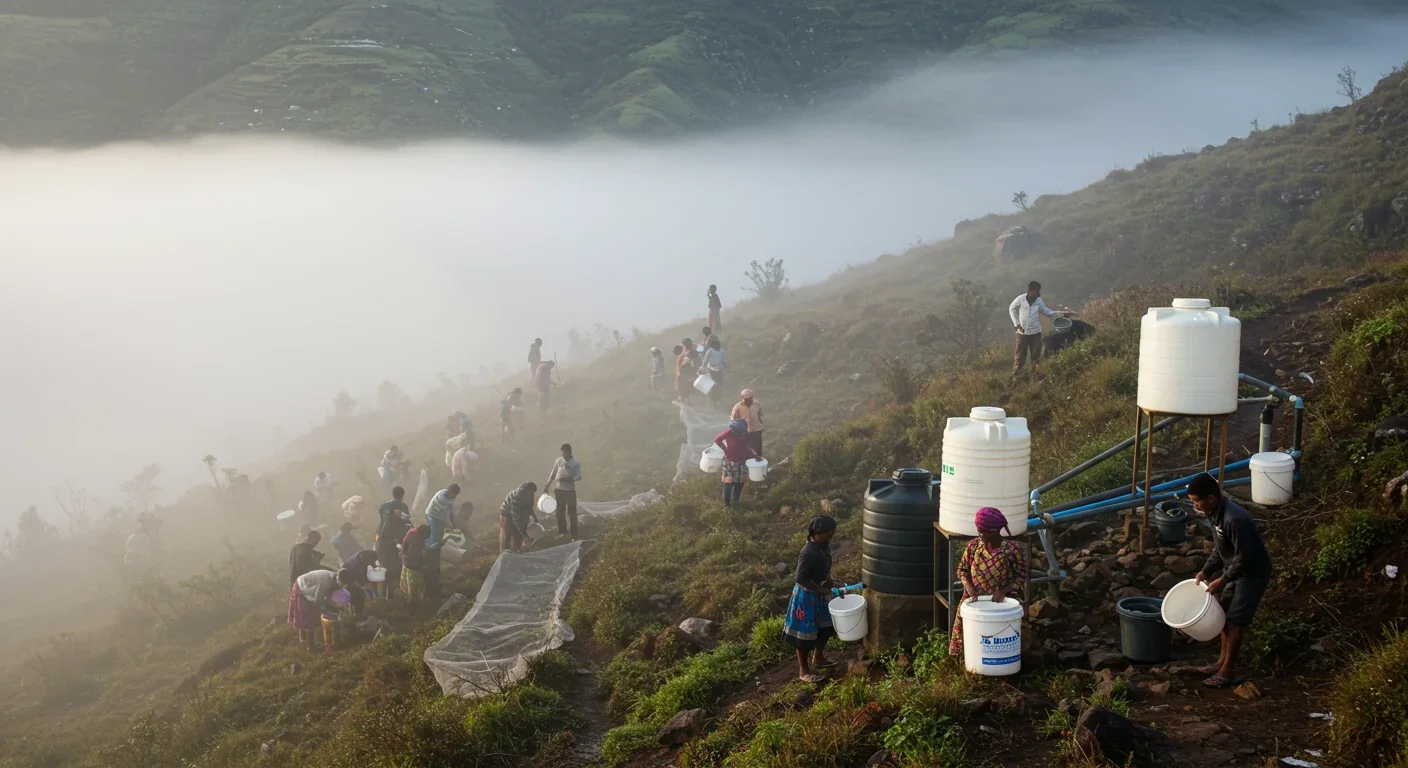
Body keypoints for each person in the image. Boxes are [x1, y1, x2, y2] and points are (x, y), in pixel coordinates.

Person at [1189, 473, 1274, 688]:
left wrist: (1222, 580)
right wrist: (1205, 572)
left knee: (1236, 620)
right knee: (1224, 615)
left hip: (1252, 572)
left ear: (1211, 499)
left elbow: (1244, 558)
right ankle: (1220, 662)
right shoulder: (1214, 513)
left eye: (1197, 502)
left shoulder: (1234, 519)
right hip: (1234, 569)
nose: (1196, 506)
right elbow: (1221, 550)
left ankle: (1227, 671)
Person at [948, 507, 1026, 658]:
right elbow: (962, 570)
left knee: (993, 642)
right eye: (979, 531)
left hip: (997, 605)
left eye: (984, 532)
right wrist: (969, 586)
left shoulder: (1011, 551)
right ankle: (965, 668)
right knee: (967, 636)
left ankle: (992, 670)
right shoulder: (974, 546)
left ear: (995, 531)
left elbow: (1021, 577)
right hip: (973, 602)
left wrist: (1003, 591)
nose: (981, 535)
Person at [783, 515, 839, 682]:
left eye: (832, 533)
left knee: (825, 628)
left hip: (820, 593)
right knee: (804, 635)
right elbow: (801, 578)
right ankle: (803, 670)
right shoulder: (808, 552)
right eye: (828, 533)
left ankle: (818, 658)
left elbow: (823, 567)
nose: (831, 536)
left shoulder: (823, 546)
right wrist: (822, 590)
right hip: (806, 596)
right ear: (817, 532)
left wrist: (828, 581)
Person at [1009, 280, 1070, 376]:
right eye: (1037, 291)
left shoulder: (1038, 301)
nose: (1038, 293)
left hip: (1035, 333)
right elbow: (1011, 308)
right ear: (1031, 291)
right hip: (1022, 333)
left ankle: (1036, 375)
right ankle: (1016, 377)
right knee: (1020, 356)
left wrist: (1061, 313)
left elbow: (1047, 312)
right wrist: (1016, 323)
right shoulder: (1021, 299)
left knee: (1036, 356)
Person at [288, 568, 354, 652]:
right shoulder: (325, 583)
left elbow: (326, 596)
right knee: (310, 616)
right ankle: (311, 646)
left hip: (306, 584)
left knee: (306, 615)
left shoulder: (335, 577)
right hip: (302, 587)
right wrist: (327, 609)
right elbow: (317, 601)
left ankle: (304, 640)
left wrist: (330, 606)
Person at [423, 484, 461, 599]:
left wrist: (453, 524)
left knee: (439, 536)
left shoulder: (449, 498)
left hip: (439, 518)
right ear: (450, 492)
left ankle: (434, 548)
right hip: (432, 516)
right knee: (435, 536)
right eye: (454, 494)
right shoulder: (442, 496)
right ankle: (429, 549)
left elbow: (450, 512)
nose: (455, 497)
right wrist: (451, 525)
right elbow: (446, 512)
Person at [714, 418, 762, 507]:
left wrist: (755, 455)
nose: (743, 434)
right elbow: (717, 439)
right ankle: (727, 506)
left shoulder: (746, 434)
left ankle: (736, 502)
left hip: (741, 462)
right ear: (734, 431)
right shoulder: (729, 433)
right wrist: (725, 449)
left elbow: (746, 447)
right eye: (740, 433)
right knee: (728, 484)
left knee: (740, 483)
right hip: (730, 463)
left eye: (744, 432)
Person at [375, 487, 411, 599]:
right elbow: (406, 521)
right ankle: (390, 596)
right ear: (402, 495)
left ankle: (380, 597)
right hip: (393, 541)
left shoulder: (384, 505)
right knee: (392, 568)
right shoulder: (403, 506)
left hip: (381, 539)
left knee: (382, 567)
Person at [545, 444, 583, 541]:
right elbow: (553, 474)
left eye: (565, 453)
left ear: (569, 452)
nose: (563, 455)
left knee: (572, 513)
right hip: (559, 490)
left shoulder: (576, 463)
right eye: (562, 453)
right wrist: (547, 485)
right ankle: (563, 532)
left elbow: (579, 476)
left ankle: (574, 535)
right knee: (560, 512)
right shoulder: (559, 460)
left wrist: (570, 478)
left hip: (570, 490)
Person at [499, 482, 539, 553]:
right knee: (508, 534)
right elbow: (516, 519)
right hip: (507, 513)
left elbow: (529, 507)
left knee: (518, 536)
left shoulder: (530, 495)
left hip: (519, 512)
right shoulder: (518, 497)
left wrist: (535, 518)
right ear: (527, 490)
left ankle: (517, 550)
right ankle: (505, 553)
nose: (533, 494)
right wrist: (524, 533)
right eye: (532, 492)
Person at [340, 548, 380, 618]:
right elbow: (365, 584)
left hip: (357, 570)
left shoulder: (365, 554)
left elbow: (373, 562)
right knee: (355, 594)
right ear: (365, 562)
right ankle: (354, 613)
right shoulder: (357, 567)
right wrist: (376, 594)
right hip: (347, 576)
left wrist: (375, 568)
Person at [400, 524, 431, 601]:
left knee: (408, 589)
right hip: (413, 567)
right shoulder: (417, 540)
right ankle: (414, 604)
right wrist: (424, 561)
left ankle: (408, 600)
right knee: (414, 589)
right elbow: (413, 555)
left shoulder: (412, 533)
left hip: (406, 563)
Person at [731, 389, 765, 457]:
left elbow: (760, 414)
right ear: (742, 398)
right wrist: (736, 430)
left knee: (758, 447)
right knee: (747, 449)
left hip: (757, 429)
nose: (748, 400)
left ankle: (758, 462)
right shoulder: (738, 406)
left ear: (752, 397)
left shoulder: (756, 404)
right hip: (745, 431)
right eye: (746, 399)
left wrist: (761, 424)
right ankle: (748, 463)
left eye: (749, 398)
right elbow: (733, 419)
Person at [701, 335, 726, 408]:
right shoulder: (718, 350)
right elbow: (723, 361)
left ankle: (712, 401)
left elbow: (705, 361)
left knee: (713, 386)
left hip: (713, 370)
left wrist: (702, 368)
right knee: (717, 385)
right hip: (716, 370)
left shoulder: (709, 350)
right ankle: (715, 401)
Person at [676, 340, 698, 405]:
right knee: (688, 386)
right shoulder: (693, 351)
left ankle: (684, 399)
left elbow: (682, 365)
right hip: (689, 373)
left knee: (683, 386)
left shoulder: (686, 354)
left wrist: (679, 372)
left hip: (684, 373)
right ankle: (687, 400)